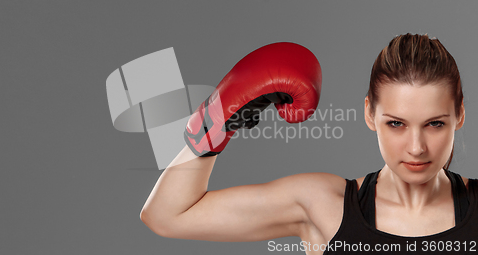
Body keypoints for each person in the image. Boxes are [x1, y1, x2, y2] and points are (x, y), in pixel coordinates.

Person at [140, 34, 477, 254]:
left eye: (435, 124)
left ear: (459, 115)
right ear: (370, 114)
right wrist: (216, 124)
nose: (416, 147)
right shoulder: (323, 205)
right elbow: (167, 216)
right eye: (396, 124)